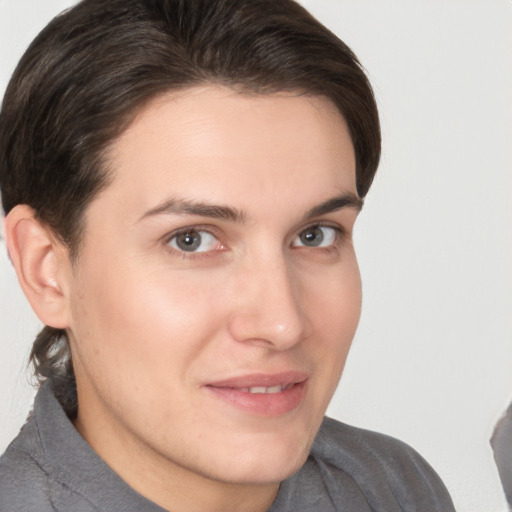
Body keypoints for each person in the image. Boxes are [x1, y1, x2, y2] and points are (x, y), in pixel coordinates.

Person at [0, 0, 455, 510]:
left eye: (315, 235)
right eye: (191, 239)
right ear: (47, 271)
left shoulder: (391, 488)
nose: (282, 324)